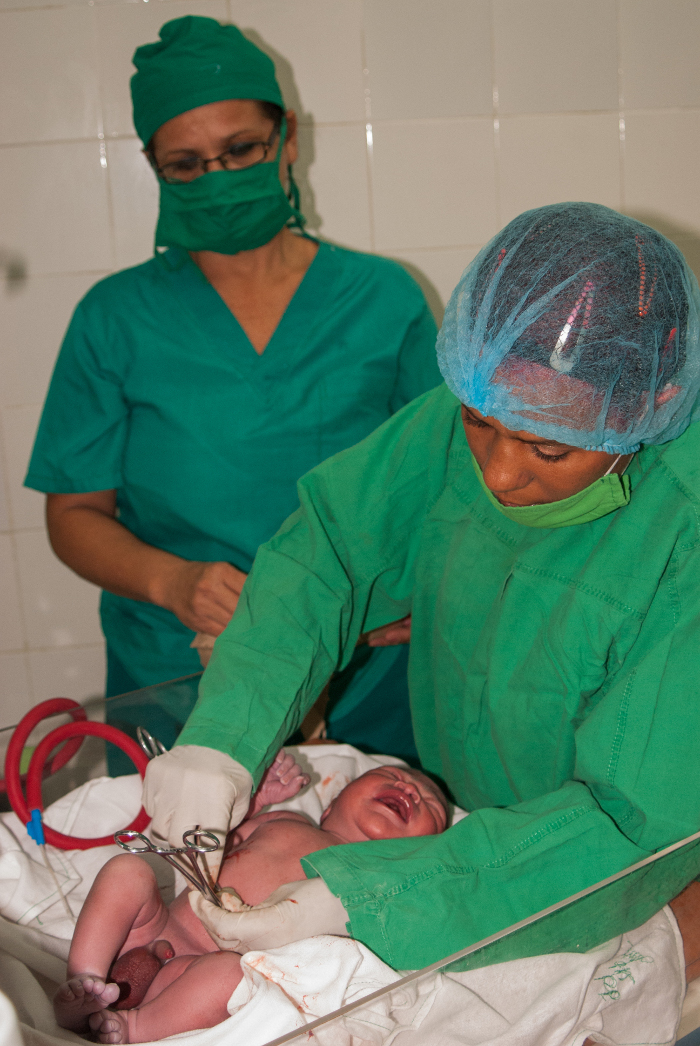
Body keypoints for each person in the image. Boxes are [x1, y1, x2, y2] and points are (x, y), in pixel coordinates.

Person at [142, 202, 700, 990]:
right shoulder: (468, 418)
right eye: (479, 420)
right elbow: (327, 557)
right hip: (460, 827)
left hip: (620, 892)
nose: (499, 474)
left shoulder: (685, 533)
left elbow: (638, 826)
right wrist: (222, 742)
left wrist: (375, 897)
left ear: (652, 400)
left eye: (549, 446)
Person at [24, 15, 441, 773]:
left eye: (240, 150)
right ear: (153, 167)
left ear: (287, 141)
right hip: (181, 680)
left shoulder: (383, 300)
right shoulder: (115, 319)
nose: (218, 179)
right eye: (186, 165)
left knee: (363, 868)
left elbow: (452, 483)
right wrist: (174, 582)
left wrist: (413, 591)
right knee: (186, 872)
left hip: (362, 681)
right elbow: (73, 514)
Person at [54, 758, 447, 1044]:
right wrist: (255, 805)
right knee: (128, 871)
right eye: (390, 776)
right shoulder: (287, 821)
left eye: (429, 804)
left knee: (232, 978)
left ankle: (135, 1028)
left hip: (195, 973)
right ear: (330, 804)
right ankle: (84, 979)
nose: (410, 789)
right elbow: (214, 840)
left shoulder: (377, 885)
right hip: (155, 926)